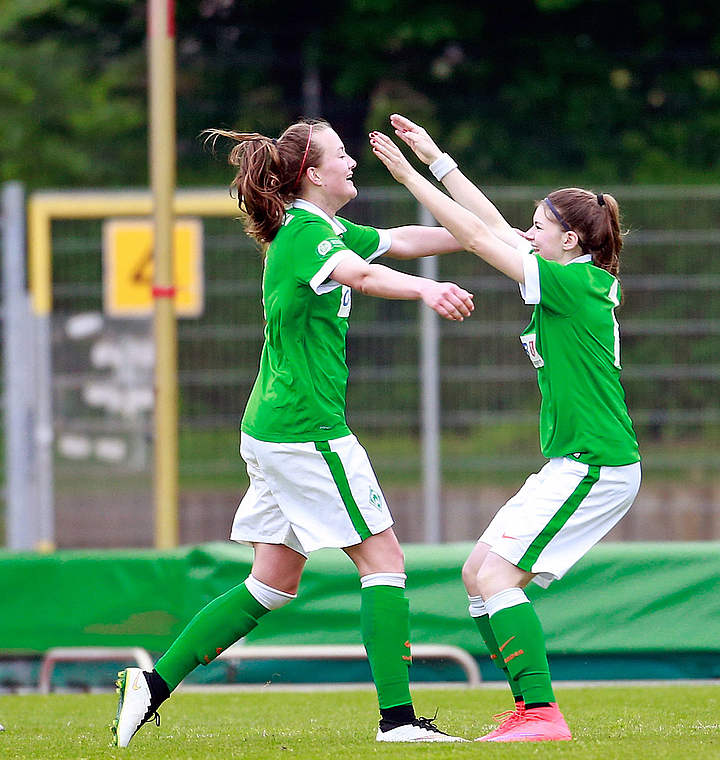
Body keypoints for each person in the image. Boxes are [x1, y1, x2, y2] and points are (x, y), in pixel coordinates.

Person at [112, 119, 476, 747]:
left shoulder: (327, 227)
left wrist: (487, 240)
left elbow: (405, 239)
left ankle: (152, 684)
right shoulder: (309, 232)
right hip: (307, 431)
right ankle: (398, 722)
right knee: (384, 562)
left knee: (271, 584)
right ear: (312, 173)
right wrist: (426, 290)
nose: (352, 164)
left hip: (274, 428)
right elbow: (363, 275)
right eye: (342, 156)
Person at [369, 114, 641, 743]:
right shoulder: (572, 275)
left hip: (597, 463)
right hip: (574, 460)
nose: (529, 234)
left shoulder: (572, 283)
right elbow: (491, 226)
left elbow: (474, 237)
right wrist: (439, 159)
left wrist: (408, 175)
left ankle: (542, 715)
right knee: (479, 572)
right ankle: (529, 707)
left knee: (495, 578)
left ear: (570, 240)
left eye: (541, 227)